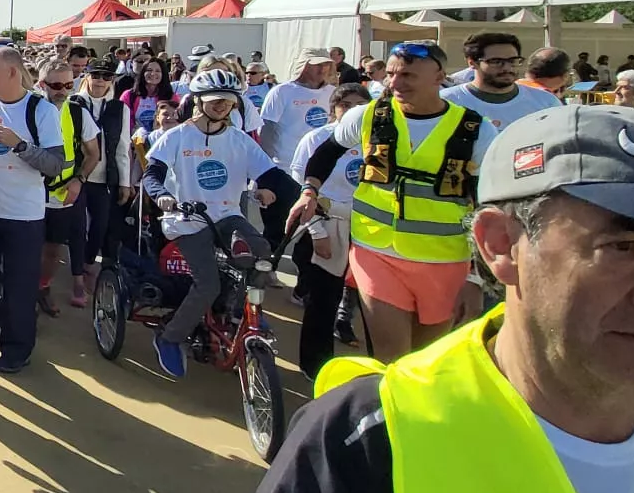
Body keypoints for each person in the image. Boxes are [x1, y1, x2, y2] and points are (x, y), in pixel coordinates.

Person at [238, 104, 634, 493]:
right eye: (622, 248)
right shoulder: (363, 441)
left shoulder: (468, 128)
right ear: (502, 245)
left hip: (437, 271)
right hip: (380, 258)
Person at [287, 41, 496, 364]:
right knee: (392, 358)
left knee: (427, 360)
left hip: (445, 260)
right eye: (393, 74)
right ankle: (385, 413)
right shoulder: (368, 115)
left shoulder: (476, 130)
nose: (396, 83)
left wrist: (475, 277)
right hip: (377, 252)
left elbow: (488, 205)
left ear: (439, 76)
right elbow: (326, 153)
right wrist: (309, 191)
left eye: (408, 75)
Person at [144, 69, 297, 378]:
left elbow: (272, 176)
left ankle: (244, 312)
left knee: (262, 254)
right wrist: (161, 195)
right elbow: (152, 174)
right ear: (198, 101)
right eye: (215, 101)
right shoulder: (177, 136)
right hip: (187, 219)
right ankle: (169, 337)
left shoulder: (238, 139)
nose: (222, 106)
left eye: (228, 102)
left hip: (227, 215)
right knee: (208, 284)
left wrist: (305, 194)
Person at [0, 46, 67, 374]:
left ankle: (16, 348)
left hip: (23, 215)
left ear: (11, 72)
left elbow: (55, 165)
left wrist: (19, 146)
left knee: (20, 285)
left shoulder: (41, 110)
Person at [286, 83, 371, 381]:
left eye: (360, 105)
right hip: (327, 221)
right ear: (334, 108)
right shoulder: (317, 139)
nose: (352, 111)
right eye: (345, 104)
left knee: (371, 302)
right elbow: (302, 188)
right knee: (323, 300)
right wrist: (316, 232)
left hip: (370, 225)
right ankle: (316, 366)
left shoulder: (377, 138)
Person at [34, 58, 102, 317]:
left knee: (52, 250)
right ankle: (22, 297)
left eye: (68, 84)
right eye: (56, 85)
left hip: (63, 195)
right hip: (29, 193)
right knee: (25, 248)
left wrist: (79, 181)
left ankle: (42, 288)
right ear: (42, 84)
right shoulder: (30, 109)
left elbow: (93, 153)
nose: (62, 90)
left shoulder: (77, 112)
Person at [77, 57, 138, 305]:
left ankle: (89, 265)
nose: (100, 81)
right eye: (96, 76)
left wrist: (125, 181)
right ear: (87, 77)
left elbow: (123, 146)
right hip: (78, 175)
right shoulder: (75, 103)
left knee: (99, 227)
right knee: (78, 227)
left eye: (106, 77)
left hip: (105, 177)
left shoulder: (119, 108)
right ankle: (77, 276)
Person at [442, 31, 562, 131]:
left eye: (513, 60)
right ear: (472, 63)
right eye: (496, 61)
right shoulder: (447, 101)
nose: (506, 68)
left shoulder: (545, 102)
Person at [259, 48, 336, 165]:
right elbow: (267, 128)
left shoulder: (334, 93)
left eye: (326, 64)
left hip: (323, 164)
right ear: (304, 66)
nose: (322, 69)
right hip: (287, 163)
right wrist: (266, 163)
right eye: (317, 64)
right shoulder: (282, 91)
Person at [122, 58, 176, 134]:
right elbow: (123, 121)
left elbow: (176, 122)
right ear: (143, 73)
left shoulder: (172, 97)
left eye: (157, 71)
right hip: (134, 141)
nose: (153, 74)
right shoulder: (129, 95)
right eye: (149, 70)